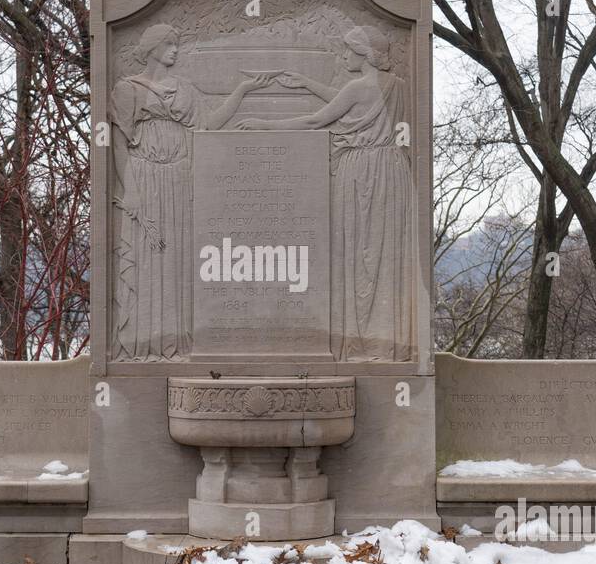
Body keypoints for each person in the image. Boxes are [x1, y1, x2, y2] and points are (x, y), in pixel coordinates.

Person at [236, 25, 413, 361]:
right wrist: (306, 84)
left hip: (362, 172)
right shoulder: (396, 85)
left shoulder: (358, 88)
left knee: (359, 256)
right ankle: (384, 343)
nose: (345, 56)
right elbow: (350, 102)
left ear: (363, 54)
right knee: (381, 254)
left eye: (349, 51)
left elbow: (316, 122)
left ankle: (360, 342)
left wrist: (265, 125)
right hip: (392, 172)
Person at [109, 23, 273, 360]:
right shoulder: (129, 89)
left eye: (177, 43)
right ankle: (144, 343)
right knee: (147, 259)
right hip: (147, 177)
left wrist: (242, 91)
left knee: (176, 259)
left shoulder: (184, 89)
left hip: (178, 179)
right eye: (170, 43)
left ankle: (174, 343)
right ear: (153, 47)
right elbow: (119, 142)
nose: (176, 50)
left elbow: (210, 124)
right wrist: (132, 191)